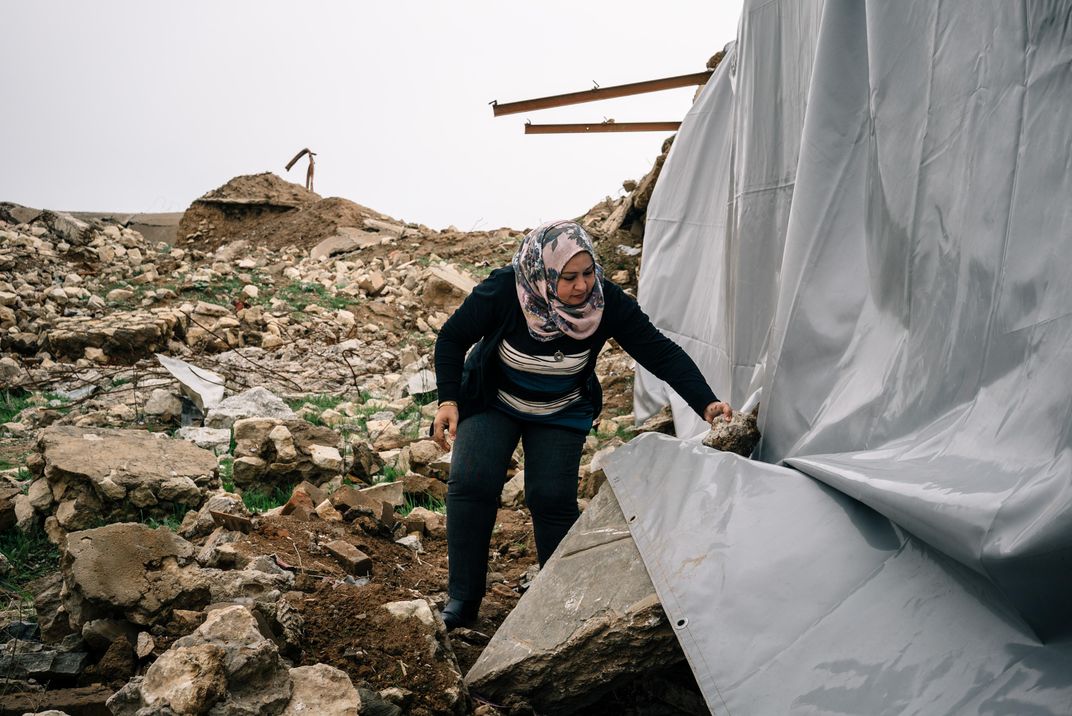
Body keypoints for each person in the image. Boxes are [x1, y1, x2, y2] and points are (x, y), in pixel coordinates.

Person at [432, 219, 732, 629]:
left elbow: (659, 352)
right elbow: (451, 337)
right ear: (543, 274)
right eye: (568, 277)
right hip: (494, 400)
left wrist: (706, 402)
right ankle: (463, 600)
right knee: (472, 483)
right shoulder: (506, 290)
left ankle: (559, 603)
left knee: (552, 498)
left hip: (561, 407)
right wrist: (448, 399)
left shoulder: (605, 302)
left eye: (588, 273)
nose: (581, 286)